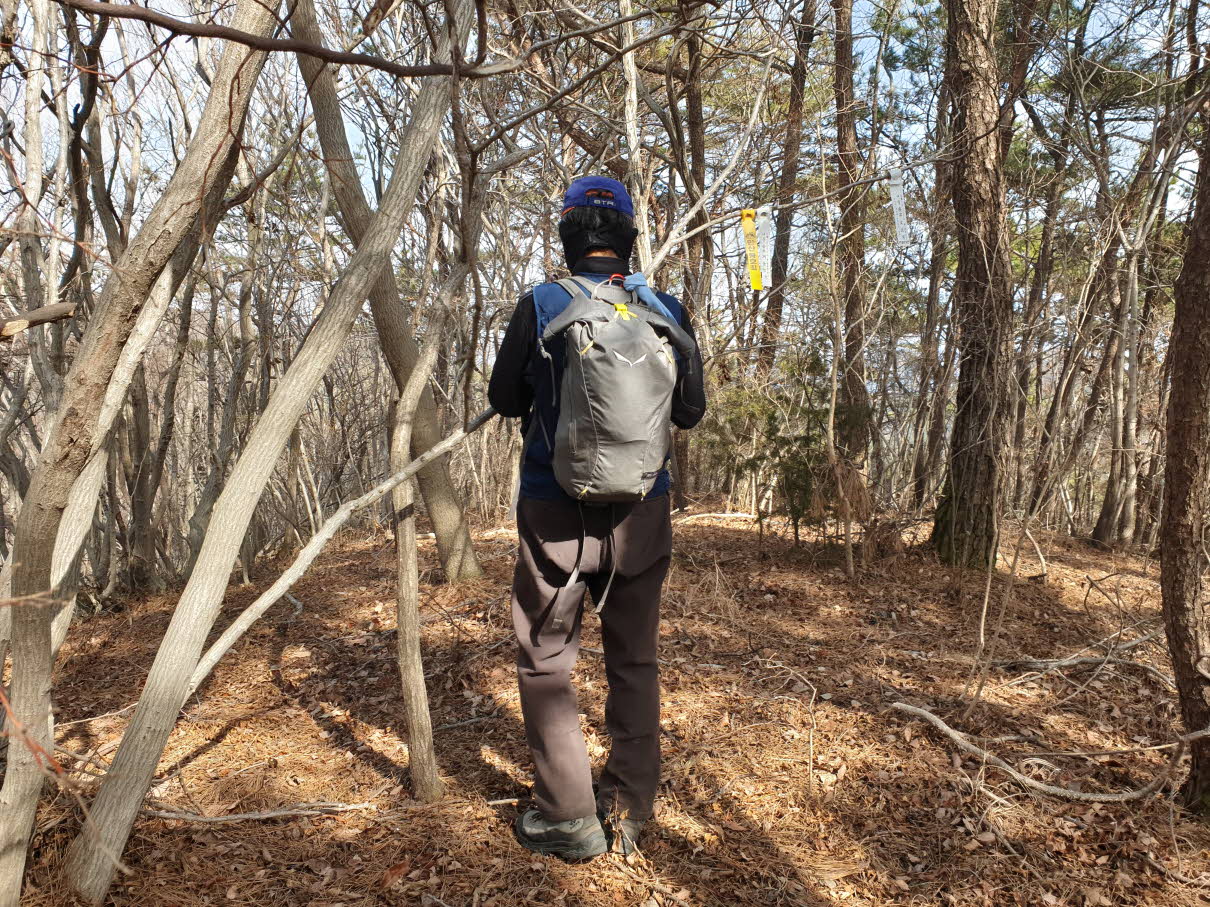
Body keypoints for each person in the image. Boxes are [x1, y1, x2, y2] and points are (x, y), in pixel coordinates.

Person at [487, 176, 706, 859]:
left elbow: (504, 397)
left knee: (547, 658)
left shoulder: (543, 303)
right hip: (644, 509)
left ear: (568, 234)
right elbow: (690, 410)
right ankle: (630, 809)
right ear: (628, 237)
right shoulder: (664, 309)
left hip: (554, 510)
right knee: (634, 658)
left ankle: (568, 817)